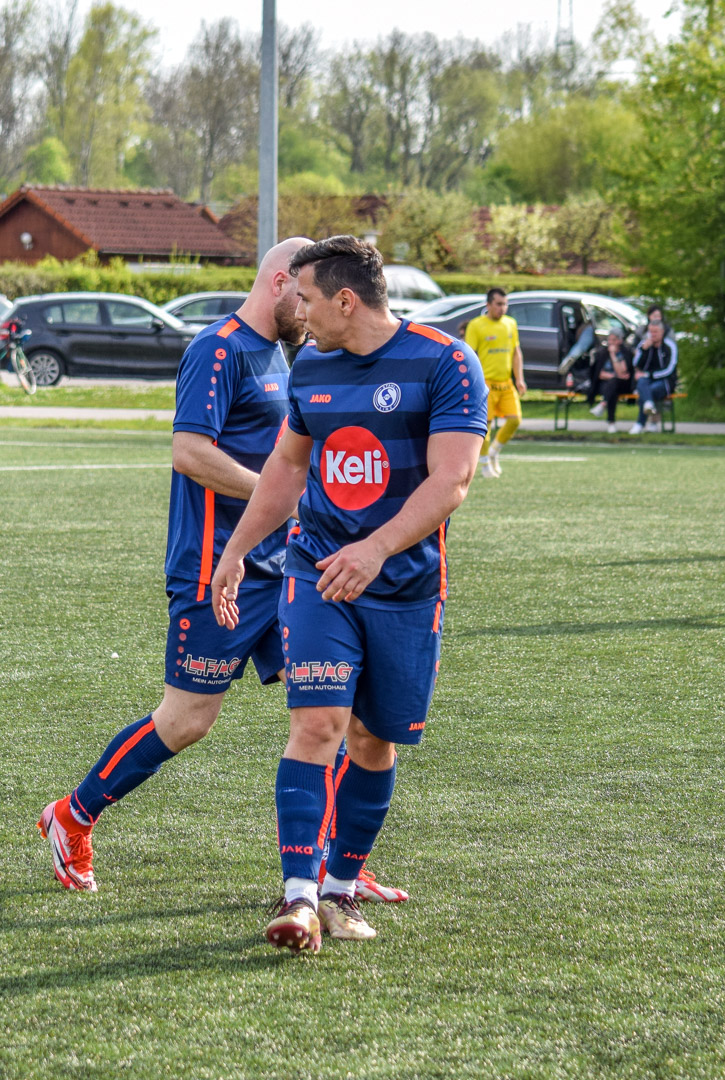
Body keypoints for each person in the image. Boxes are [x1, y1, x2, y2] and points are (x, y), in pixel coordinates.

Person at [36, 238, 410, 906]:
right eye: (304, 295)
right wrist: (277, 500)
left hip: (287, 570)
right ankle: (73, 814)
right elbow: (189, 452)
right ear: (279, 283)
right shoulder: (218, 349)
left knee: (336, 713)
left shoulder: (284, 354)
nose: (310, 311)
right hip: (216, 567)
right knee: (187, 720)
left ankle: (337, 871)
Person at [209, 235, 486, 952]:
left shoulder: (446, 362)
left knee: (372, 740)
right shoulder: (312, 365)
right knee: (317, 726)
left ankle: (340, 888)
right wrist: (237, 552)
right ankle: (299, 896)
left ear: (343, 300)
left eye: (304, 298)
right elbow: (285, 468)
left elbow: (452, 480)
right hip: (317, 572)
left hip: (405, 585)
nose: (295, 311)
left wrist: (376, 549)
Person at [464, 287, 525, 477]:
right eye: (498, 304)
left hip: (506, 383)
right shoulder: (476, 325)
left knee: (515, 420)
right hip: (486, 384)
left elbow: (516, 353)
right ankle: (484, 465)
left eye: (505, 304)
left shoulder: (510, 323)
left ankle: (493, 452)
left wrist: (519, 379)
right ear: (488, 304)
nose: (502, 308)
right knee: (486, 425)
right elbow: (469, 355)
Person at [628, 322, 677, 434]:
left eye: (655, 332)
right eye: (651, 332)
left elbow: (670, 369)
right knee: (642, 382)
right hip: (647, 380)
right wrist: (644, 350)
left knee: (648, 391)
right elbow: (635, 364)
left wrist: (650, 375)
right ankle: (649, 409)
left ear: (662, 332)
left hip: (665, 381)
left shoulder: (669, 345)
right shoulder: (644, 344)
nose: (653, 335)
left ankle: (640, 423)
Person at [596, 329, 633, 433]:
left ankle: (604, 406)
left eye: (614, 340)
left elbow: (622, 372)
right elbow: (600, 374)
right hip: (606, 384)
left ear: (620, 340)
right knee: (612, 388)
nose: (611, 343)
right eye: (610, 340)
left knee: (613, 385)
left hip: (623, 385)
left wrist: (613, 355)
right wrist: (614, 376)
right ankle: (610, 421)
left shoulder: (625, 353)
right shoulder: (603, 353)